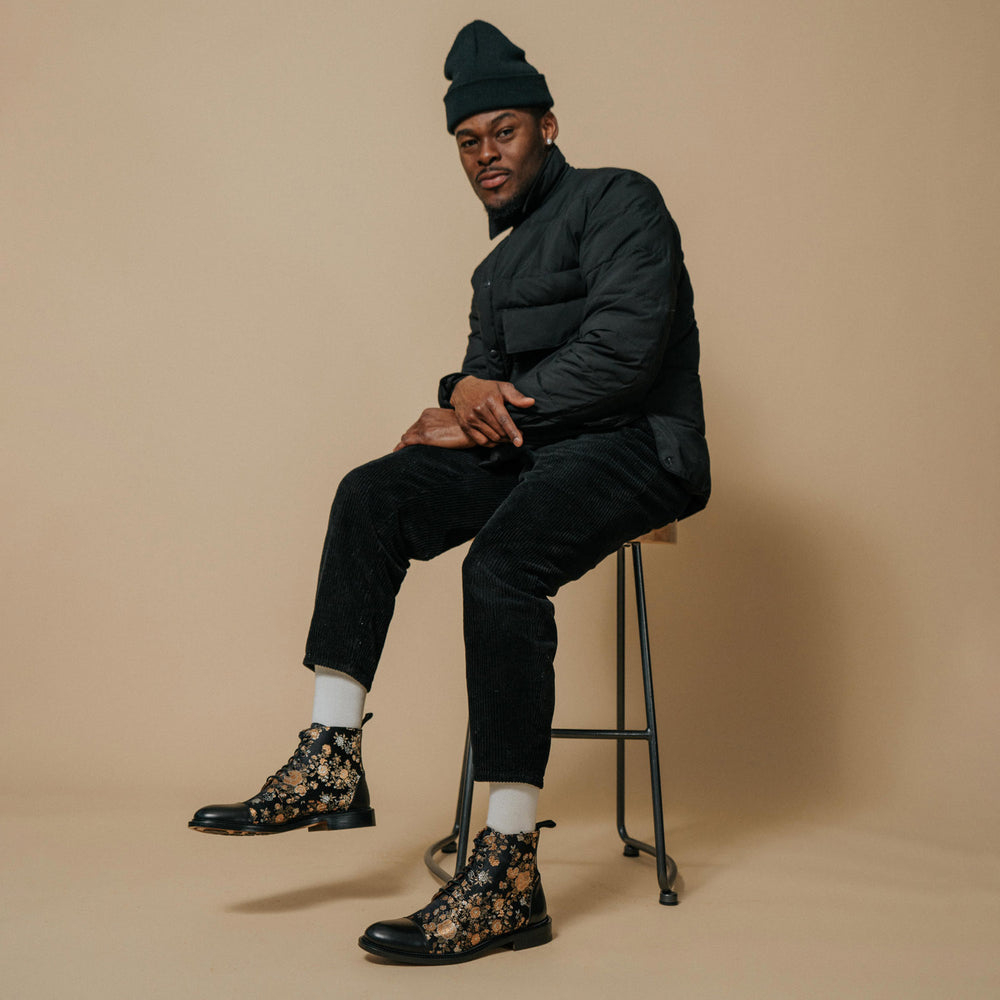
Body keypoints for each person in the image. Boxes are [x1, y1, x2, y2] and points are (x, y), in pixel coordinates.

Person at [190, 20, 709, 965]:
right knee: (373, 492)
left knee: (502, 567)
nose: (484, 156)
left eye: (501, 132)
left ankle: (508, 867)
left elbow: (627, 356)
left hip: (638, 447)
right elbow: (478, 374)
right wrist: (455, 394)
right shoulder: (494, 265)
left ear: (547, 126)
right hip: (535, 449)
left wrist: (485, 402)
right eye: (467, 142)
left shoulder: (621, 200)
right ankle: (331, 758)